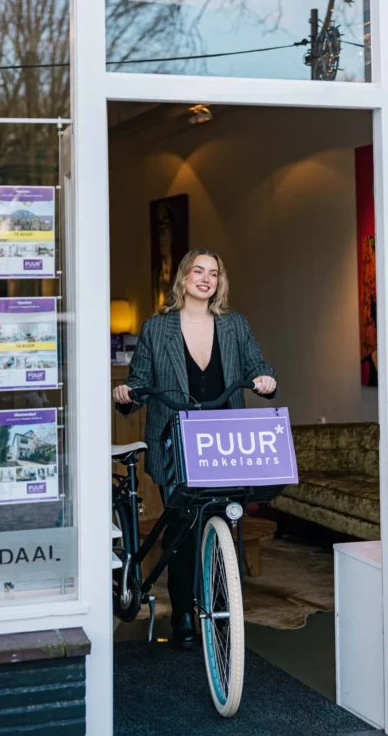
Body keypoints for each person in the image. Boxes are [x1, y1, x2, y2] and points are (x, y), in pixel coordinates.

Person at [113, 247, 277, 648]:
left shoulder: (234, 325)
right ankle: (184, 613)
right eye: (198, 271)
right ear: (183, 277)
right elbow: (140, 378)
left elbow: (257, 365)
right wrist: (126, 394)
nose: (206, 278)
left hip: (224, 440)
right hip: (175, 438)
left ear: (219, 282)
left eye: (214, 273)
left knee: (219, 518)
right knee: (183, 528)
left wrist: (265, 380)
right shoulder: (157, 327)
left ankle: (221, 606)